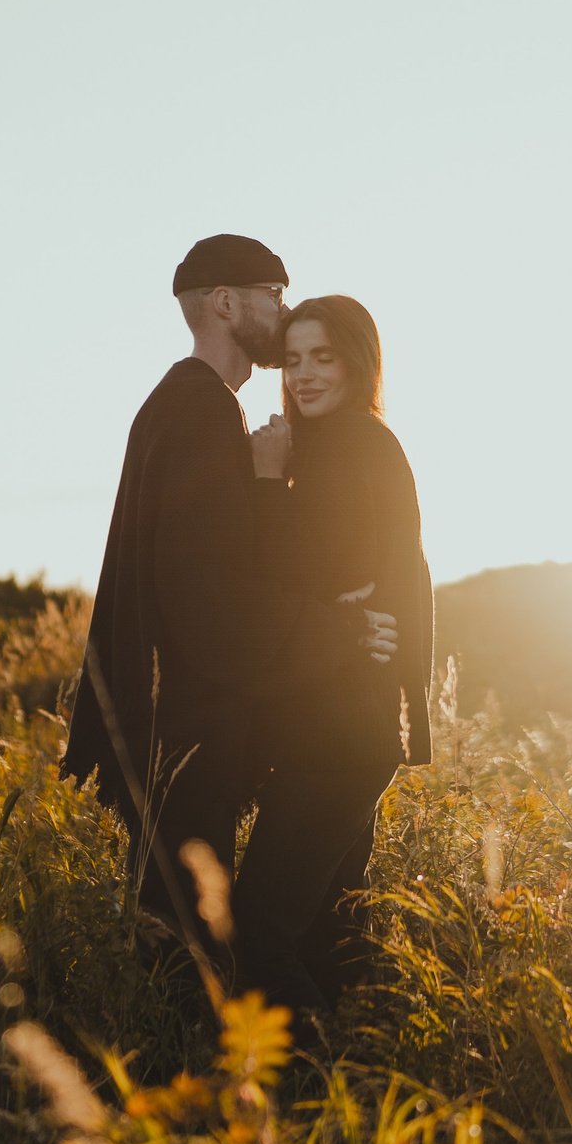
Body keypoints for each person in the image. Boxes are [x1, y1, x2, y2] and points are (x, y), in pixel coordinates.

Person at [59, 236, 399, 977]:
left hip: (186, 719)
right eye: (274, 296)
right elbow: (207, 589)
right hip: (187, 722)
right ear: (226, 304)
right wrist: (338, 627)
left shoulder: (190, 406)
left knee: (220, 930)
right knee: (191, 942)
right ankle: (200, 1077)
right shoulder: (197, 412)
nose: (283, 315)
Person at [231, 294, 434, 1024]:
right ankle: (371, 1085)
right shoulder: (364, 442)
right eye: (293, 360)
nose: (306, 373)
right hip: (357, 728)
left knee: (258, 931)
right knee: (331, 934)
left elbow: (291, 567)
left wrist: (262, 476)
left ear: (358, 361)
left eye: (323, 357)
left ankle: (316, 1093)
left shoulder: (344, 446)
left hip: (335, 734)